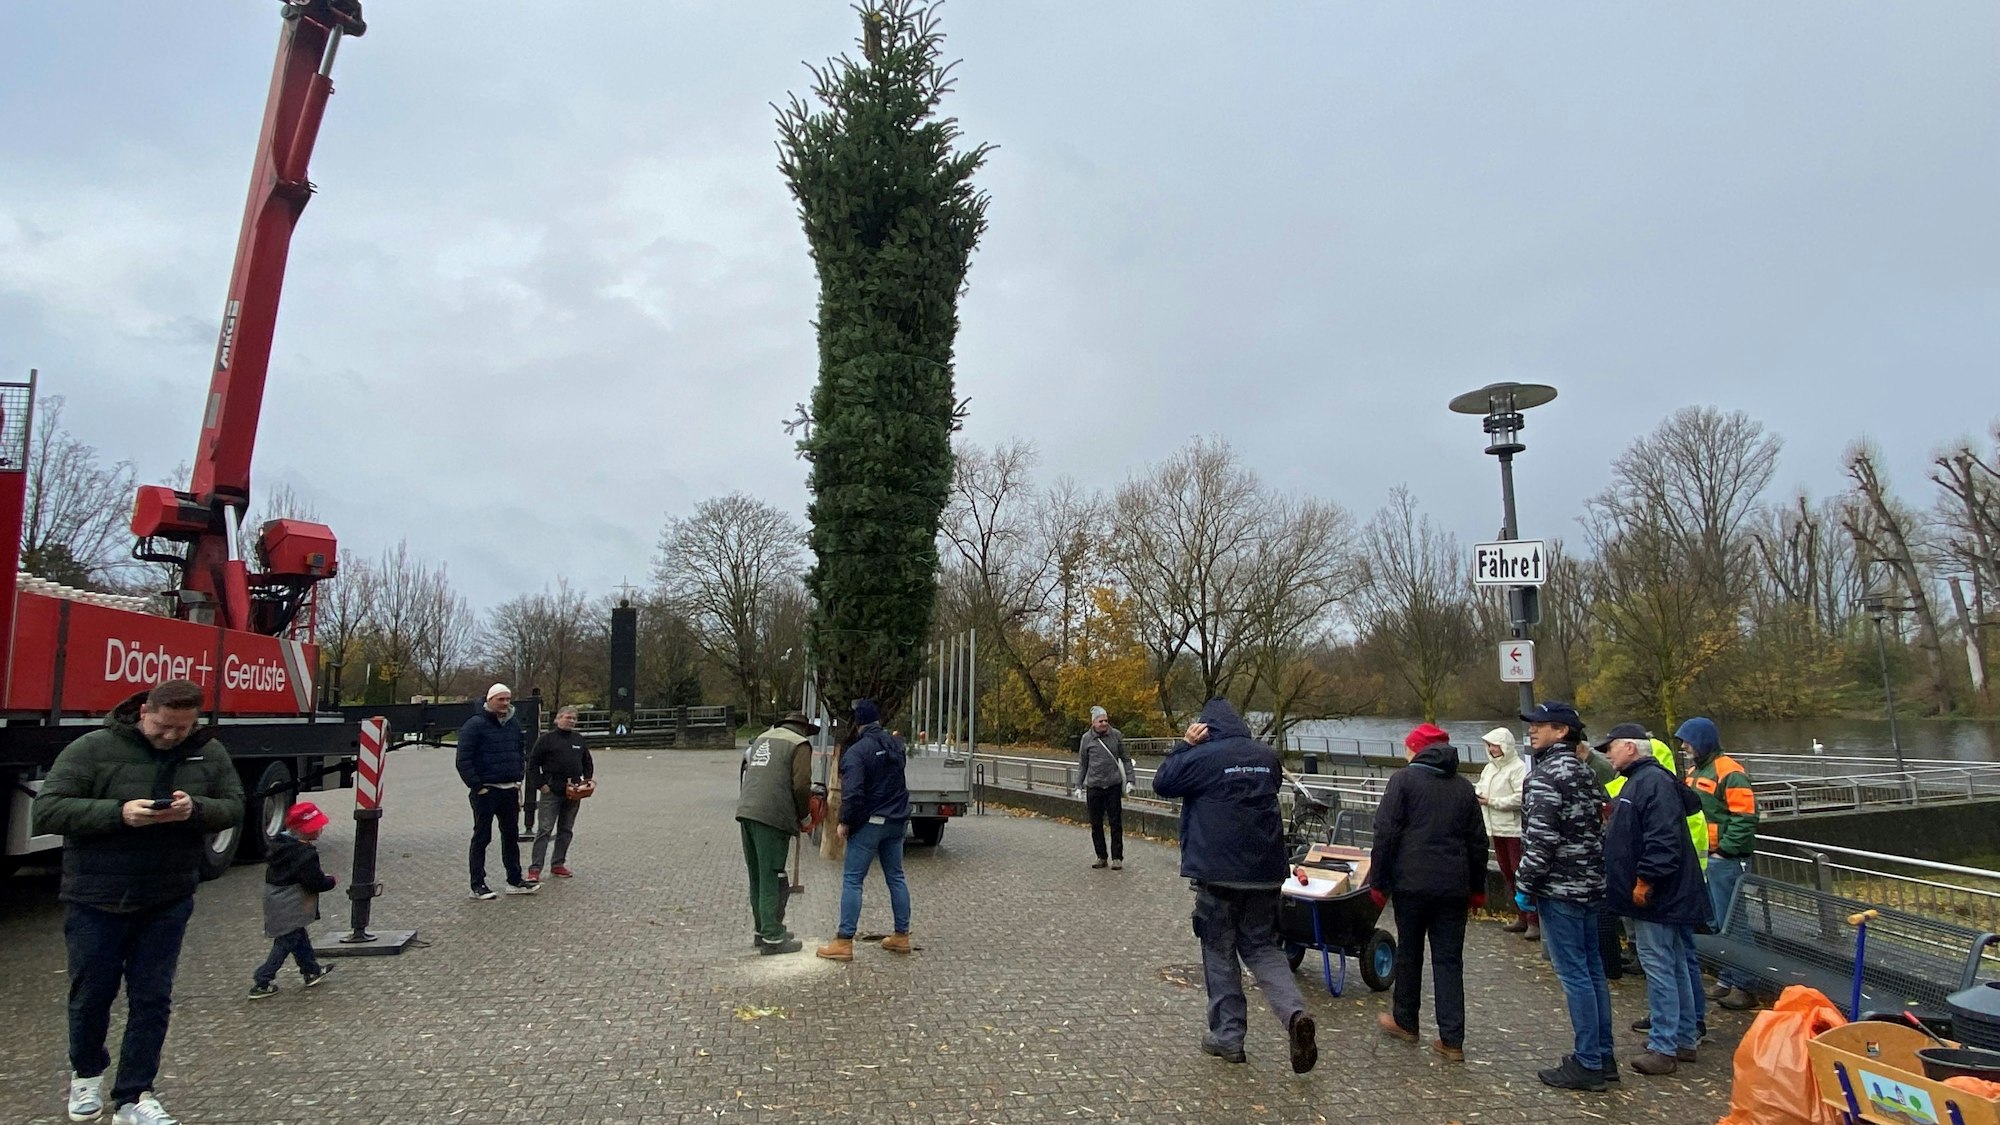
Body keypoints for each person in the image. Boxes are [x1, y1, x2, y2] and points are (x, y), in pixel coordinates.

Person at [32, 679, 245, 1125]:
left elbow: (234, 806)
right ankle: (86, 1074)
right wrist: (120, 813)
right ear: (144, 711)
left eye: (183, 729)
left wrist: (197, 809)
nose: (172, 736)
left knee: (152, 998)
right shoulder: (93, 747)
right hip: (96, 895)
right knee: (91, 994)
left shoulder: (209, 752)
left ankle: (134, 1096)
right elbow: (48, 809)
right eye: (165, 726)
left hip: (167, 895)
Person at [1151, 698, 1318, 1075]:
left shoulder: (1202, 757)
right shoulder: (1266, 757)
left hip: (1219, 872)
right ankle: (1295, 1015)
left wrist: (1185, 745)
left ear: (1205, 727)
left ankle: (1229, 1036)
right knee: (1263, 947)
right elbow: (1268, 785)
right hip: (1266, 873)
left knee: (1219, 948)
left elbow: (1162, 782)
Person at [1367, 723, 1488, 1062]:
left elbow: (1385, 833)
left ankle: (1406, 1020)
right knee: (1449, 961)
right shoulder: (1463, 788)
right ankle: (1452, 1039)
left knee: (1410, 951)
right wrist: (1477, 889)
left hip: (1412, 883)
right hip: (1454, 886)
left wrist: (1379, 882)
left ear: (1417, 749)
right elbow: (1478, 841)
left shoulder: (1403, 782)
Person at [1513, 700, 1616, 1093]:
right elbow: (1598, 827)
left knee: (1575, 975)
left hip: (1560, 890)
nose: (1532, 730)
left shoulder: (1546, 775)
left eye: (1541, 725)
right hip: (1591, 886)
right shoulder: (1586, 773)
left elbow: (1540, 840)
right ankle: (1603, 1058)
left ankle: (1588, 1062)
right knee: (1593, 973)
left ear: (1562, 731)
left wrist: (1524, 886)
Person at [1598, 723, 1710, 1076]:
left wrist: (1645, 881)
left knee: (1660, 966)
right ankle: (1682, 1038)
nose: (1607, 753)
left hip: (1660, 896)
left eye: (1611, 747)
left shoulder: (1650, 783)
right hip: (1670, 894)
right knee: (1673, 963)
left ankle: (1665, 1045)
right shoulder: (1648, 781)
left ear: (1630, 747)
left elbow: (1661, 841)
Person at [817, 700, 913, 961]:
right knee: (896, 875)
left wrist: (844, 822)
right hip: (897, 821)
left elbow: (854, 792)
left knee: (852, 879)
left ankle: (844, 941)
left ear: (857, 723)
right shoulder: (895, 745)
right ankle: (901, 936)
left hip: (871, 823)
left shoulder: (857, 752)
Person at [1679, 716, 1759, 1010]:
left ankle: (1744, 983)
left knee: (1733, 922)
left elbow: (1745, 816)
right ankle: (1728, 977)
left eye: (1687, 741)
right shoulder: (1695, 771)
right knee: (1717, 921)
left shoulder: (1730, 773)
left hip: (1725, 860)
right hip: (1709, 858)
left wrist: (1725, 850)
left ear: (1701, 741)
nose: (1684, 746)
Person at [739, 710, 819, 955]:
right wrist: (805, 815)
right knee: (772, 874)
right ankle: (773, 937)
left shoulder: (764, 738)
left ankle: (762, 929)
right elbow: (801, 784)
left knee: (757, 874)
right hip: (772, 816)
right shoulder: (799, 744)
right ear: (803, 729)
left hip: (746, 810)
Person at [248, 801, 339, 1000]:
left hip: (275, 899)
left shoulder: (280, 846)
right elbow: (314, 881)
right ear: (302, 830)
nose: (320, 830)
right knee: (286, 941)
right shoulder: (304, 854)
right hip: (291, 903)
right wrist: (330, 881)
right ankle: (262, 980)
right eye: (316, 827)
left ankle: (311, 970)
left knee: (298, 935)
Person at [457, 683, 539, 900]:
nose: (505, 703)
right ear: (490, 700)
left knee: (511, 836)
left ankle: (515, 880)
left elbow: (519, 751)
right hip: (486, 791)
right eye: (500, 699)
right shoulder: (474, 725)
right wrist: (478, 786)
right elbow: (463, 760)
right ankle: (478, 885)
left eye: (508, 699)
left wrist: (518, 779)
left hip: (509, 789)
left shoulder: (512, 725)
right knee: (482, 837)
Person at [1475, 726, 1534, 940]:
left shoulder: (1517, 768)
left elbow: (1520, 798)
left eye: (1496, 745)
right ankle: (1522, 916)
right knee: (1508, 874)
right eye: (1490, 745)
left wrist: (1491, 802)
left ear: (1506, 746)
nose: (1492, 749)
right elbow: (1481, 788)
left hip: (1514, 830)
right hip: (1496, 828)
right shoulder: (1489, 769)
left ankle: (1533, 919)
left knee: (1521, 874)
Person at [527, 704, 594, 882]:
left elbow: (587, 761)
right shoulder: (546, 740)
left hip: (573, 791)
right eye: (567, 717)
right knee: (545, 829)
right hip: (552, 791)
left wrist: (587, 780)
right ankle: (535, 869)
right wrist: (541, 785)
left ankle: (558, 864)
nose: (571, 721)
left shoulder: (579, 740)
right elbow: (533, 764)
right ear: (558, 719)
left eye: (573, 718)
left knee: (566, 829)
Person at [1073, 706, 1135, 870]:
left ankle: (1117, 857)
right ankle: (1101, 856)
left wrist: (1130, 780)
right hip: (1094, 786)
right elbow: (1083, 764)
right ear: (1093, 722)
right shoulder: (1086, 739)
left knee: (1115, 823)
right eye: (1101, 721)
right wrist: (1078, 785)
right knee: (1096, 824)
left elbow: (1126, 759)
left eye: (1106, 720)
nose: (1104, 723)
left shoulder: (1116, 735)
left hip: (1113, 785)